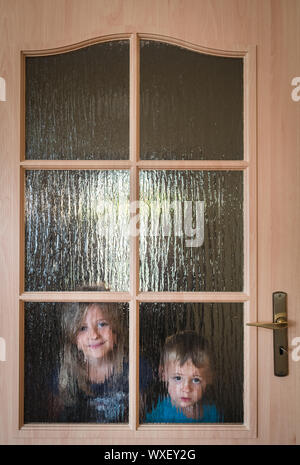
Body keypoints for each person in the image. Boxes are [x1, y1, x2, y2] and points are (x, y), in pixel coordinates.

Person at [53, 284, 129, 423]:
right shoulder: (63, 375)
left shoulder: (136, 368)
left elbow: (140, 423)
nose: (93, 335)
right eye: (83, 328)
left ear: (116, 329)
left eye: (102, 324)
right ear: (72, 336)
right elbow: (52, 425)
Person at [144, 330, 221, 423]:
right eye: (178, 378)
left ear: (209, 378)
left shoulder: (212, 412)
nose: (186, 389)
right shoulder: (160, 414)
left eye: (196, 380)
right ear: (163, 374)